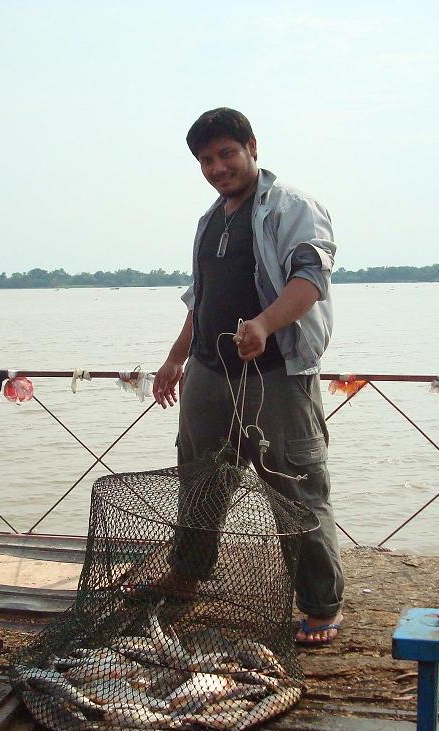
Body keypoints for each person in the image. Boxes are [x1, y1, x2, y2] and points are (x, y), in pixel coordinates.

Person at [150, 107, 343, 645]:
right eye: (206, 160)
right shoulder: (209, 220)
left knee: (297, 491)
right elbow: (201, 301)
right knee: (199, 481)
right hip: (211, 375)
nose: (217, 167)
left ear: (252, 147)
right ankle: (188, 576)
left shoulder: (292, 208)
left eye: (227, 154)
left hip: (277, 373)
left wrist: (263, 324)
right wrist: (174, 359)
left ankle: (320, 606)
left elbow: (310, 282)